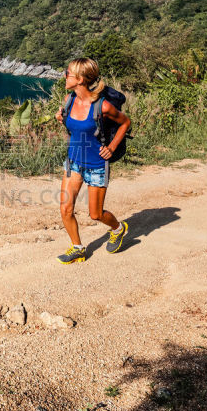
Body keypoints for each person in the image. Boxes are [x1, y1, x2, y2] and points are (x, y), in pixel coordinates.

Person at [53, 57, 131, 263]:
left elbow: (125, 122)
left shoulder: (103, 106)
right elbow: (78, 130)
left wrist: (112, 147)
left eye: (67, 72)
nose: (64, 75)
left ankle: (118, 228)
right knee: (65, 209)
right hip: (74, 162)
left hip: (96, 165)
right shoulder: (69, 99)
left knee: (95, 215)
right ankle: (78, 247)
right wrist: (62, 119)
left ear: (80, 79)